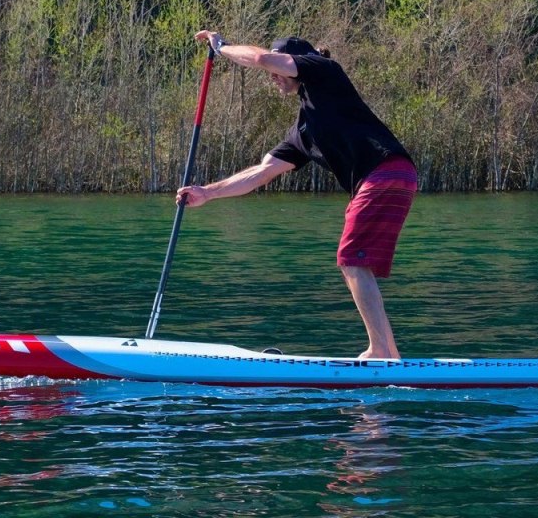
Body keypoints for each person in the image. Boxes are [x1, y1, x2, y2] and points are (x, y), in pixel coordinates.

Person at [177, 30, 418, 359]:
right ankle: (389, 353)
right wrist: (208, 193)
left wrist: (221, 48)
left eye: (278, 72)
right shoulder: (304, 132)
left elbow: (261, 58)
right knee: (355, 262)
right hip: (395, 176)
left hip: (383, 172)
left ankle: (382, 352)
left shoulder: (323, 71)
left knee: (351, 259)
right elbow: (260, 173)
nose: (273, 78)